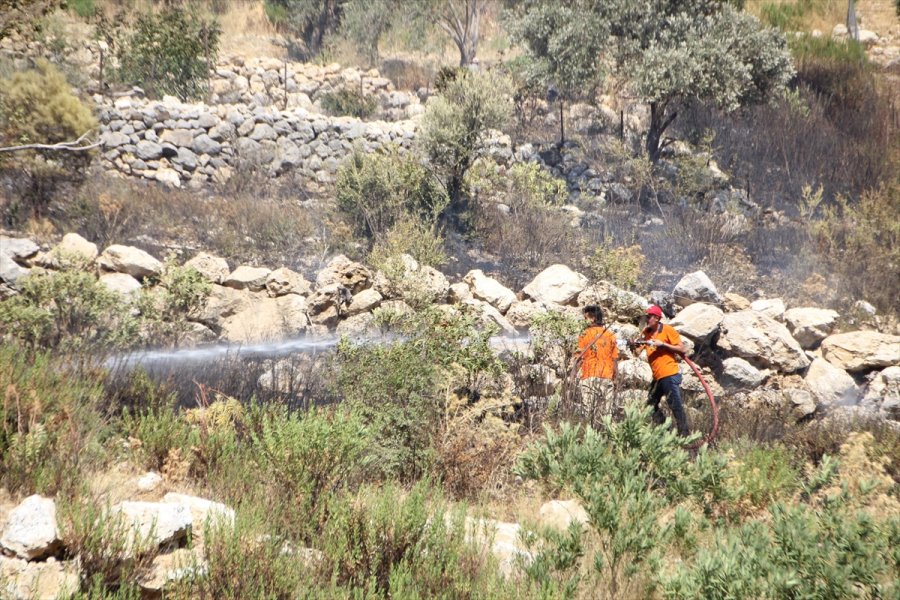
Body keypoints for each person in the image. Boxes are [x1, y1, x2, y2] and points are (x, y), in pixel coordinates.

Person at [636, 304, 690, 436]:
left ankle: (685, 437)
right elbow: (638, 351)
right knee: (650, 405)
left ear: (656, 318)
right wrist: (635, 344)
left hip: (669, 374)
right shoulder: (646, 333)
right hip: (658, 377)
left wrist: (663, 345)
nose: (647, 320)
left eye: (648, 317)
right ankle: (665, 431)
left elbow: (682, 349)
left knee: (675, 406)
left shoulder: (667, 330)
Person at [574, 305, 619, 426]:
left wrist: (573, 376)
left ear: (593, 318)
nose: (584, 321)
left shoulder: (584, 334)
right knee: (607, 415)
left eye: (586, 318)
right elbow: (615, 359)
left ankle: (590, 439)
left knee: (588, 415)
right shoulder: (610, 335)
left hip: (589, 378)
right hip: (607, 378)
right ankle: (607, 439)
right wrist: (615, 379)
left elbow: (578, 359)